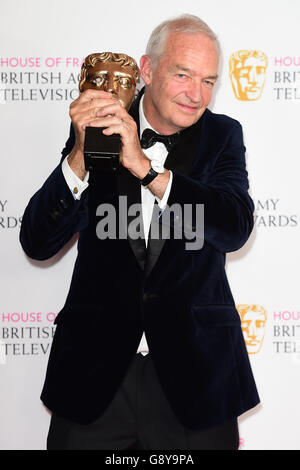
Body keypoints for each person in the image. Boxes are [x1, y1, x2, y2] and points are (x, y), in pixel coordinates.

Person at [20, 14, 260, 450]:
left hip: (197, 381)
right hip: (94, 378)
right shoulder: (101, 125)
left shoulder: (223, 136)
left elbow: (234, 226)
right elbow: (38, 242)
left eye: (208, 80)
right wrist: (79, 154)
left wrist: (146, 170)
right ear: (147, 70)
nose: (197, 94)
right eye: (183, 74)